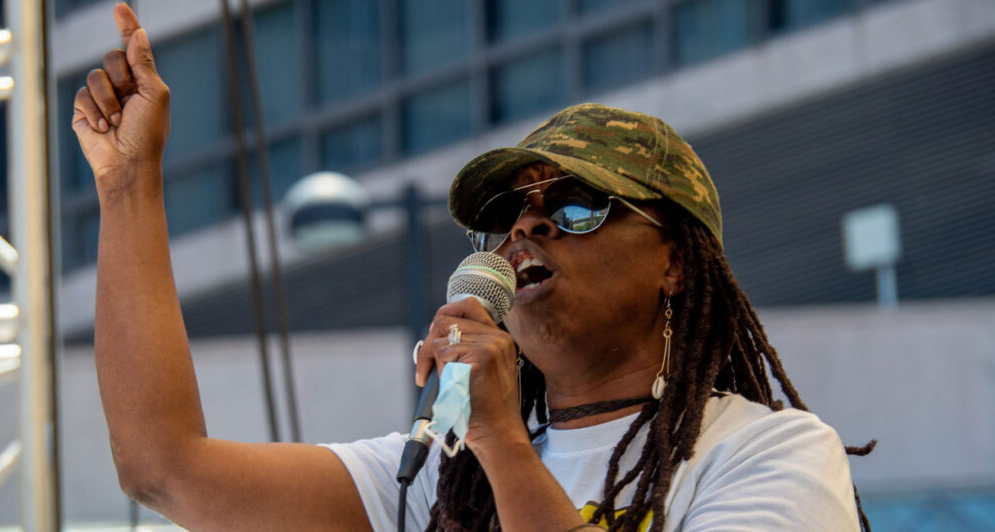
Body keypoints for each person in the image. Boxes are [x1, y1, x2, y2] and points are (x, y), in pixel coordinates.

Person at [73, 4, 873, 531]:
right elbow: (164, 468)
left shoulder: (770, 454)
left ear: (676, 265)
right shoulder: (441, 479)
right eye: (510, 216)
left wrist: (498, 440)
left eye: (577, 205)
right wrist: (128, 183)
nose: (528, 226)